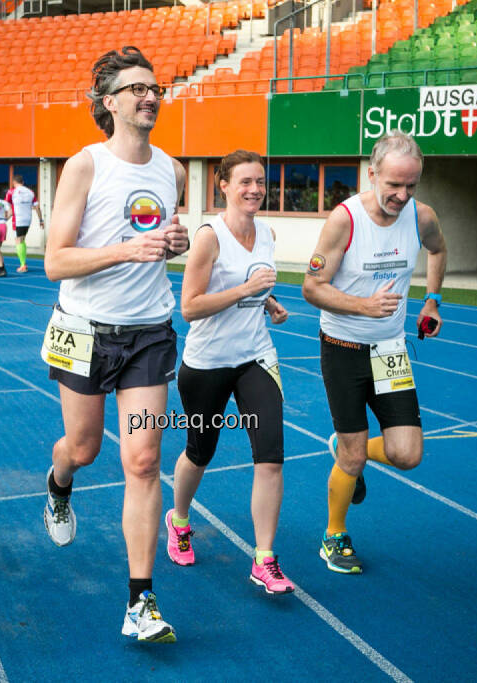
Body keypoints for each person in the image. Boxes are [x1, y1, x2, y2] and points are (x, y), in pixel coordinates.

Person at [42, 46, 188, 643]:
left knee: (144, 461)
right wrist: (128, 248)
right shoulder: (84, 166)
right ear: (108, 102)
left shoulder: (173, 171)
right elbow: (55, 261)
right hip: (82, 330)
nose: (150, 96)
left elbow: (161, 241)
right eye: (136, 89)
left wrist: (171, 243)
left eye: (154, 87)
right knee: (82, 448)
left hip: (149, 331)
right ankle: (58, 484)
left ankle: (140, 602)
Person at [302, 130, 447, 575]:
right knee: (352, 454)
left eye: (411, 186)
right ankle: (334, 536)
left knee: (408, 454)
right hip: (343, 348)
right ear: (372, 174)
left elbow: (439, 250)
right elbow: (311, 288)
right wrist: (364, 306)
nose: (402, 195)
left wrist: (432, 300)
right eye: (393, 185)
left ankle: (351, 452)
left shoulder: (421, 217)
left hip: (390, 351)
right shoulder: (344, 221)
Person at [166, 149, 295, 595]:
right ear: (223, 185)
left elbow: (254, 288)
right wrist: (246, 289)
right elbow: (189, 307)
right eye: (245, 182)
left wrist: (268, 303)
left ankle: (264, 558)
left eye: (260, 181)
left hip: (256, 357)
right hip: (206, 364)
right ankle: (179, 520)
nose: (255, 189)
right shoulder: (209, 237)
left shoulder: (267, 233)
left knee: (271, 455)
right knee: (200, 453)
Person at [5, 174, 43, 273]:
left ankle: (23, 265)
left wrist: (3, 219)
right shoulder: (30, 192)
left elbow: (7, 207)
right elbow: (37, 207)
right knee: (22, 240)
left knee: (18, 240)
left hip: (18, 219)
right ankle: (23, 262)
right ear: (23, 182)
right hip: (28, 219)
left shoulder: (11, 192)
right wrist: (41, 220)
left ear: (14, 182)